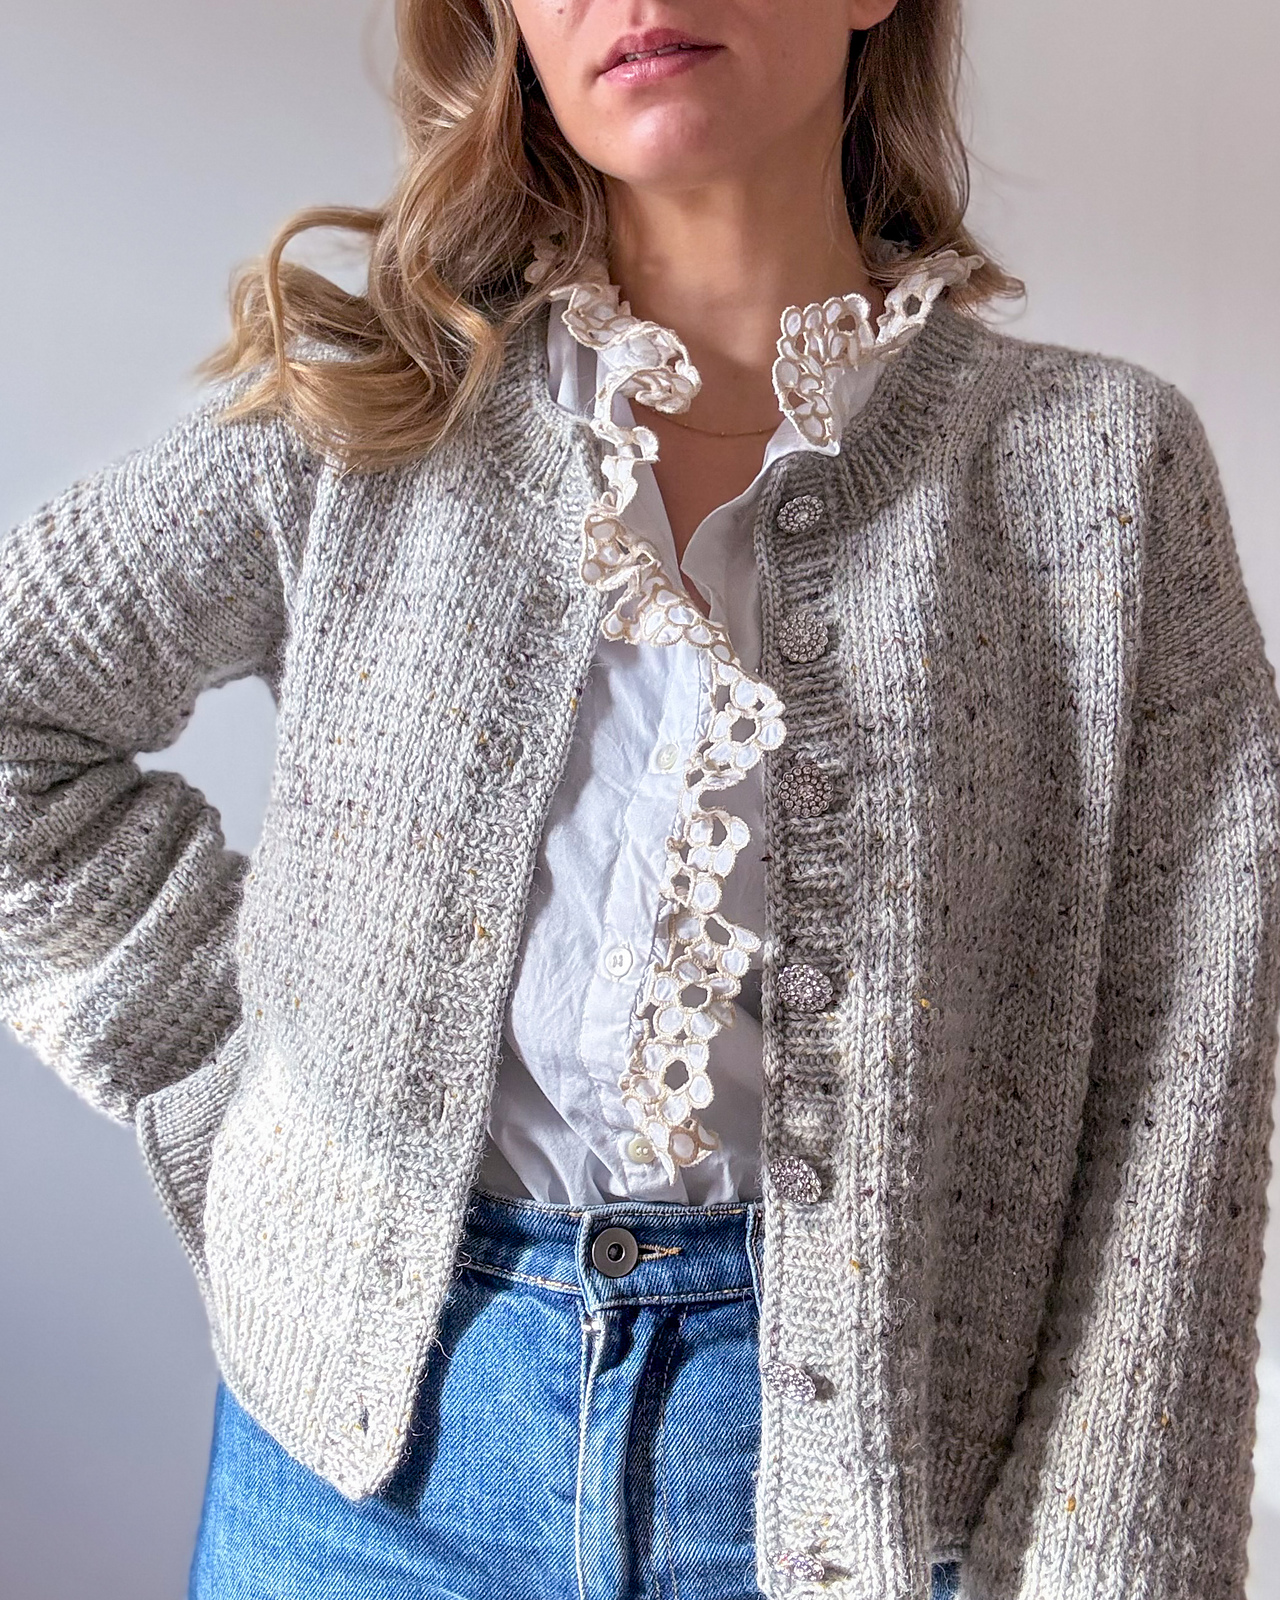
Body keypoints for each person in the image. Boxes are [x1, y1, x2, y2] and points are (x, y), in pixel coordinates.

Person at [2, 1, 1279, 1597]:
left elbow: (1183, 1100)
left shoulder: (1098, 478)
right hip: (355, 1491)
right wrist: (249, 1083)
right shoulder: (371, 425)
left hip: (873, 1509)